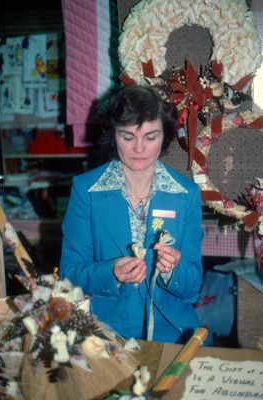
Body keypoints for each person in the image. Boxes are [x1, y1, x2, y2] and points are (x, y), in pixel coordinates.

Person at [59, 85, 204, 344]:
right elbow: (69, 274)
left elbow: (193, 286)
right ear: (113, 135)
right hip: (103, 332)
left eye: (151, 137)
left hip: (173, 332)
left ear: (165, 136)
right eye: (127, 137)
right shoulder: (86, 191)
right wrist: (110, 271)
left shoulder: (186, 194)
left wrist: (172, 270)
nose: (139, 148)